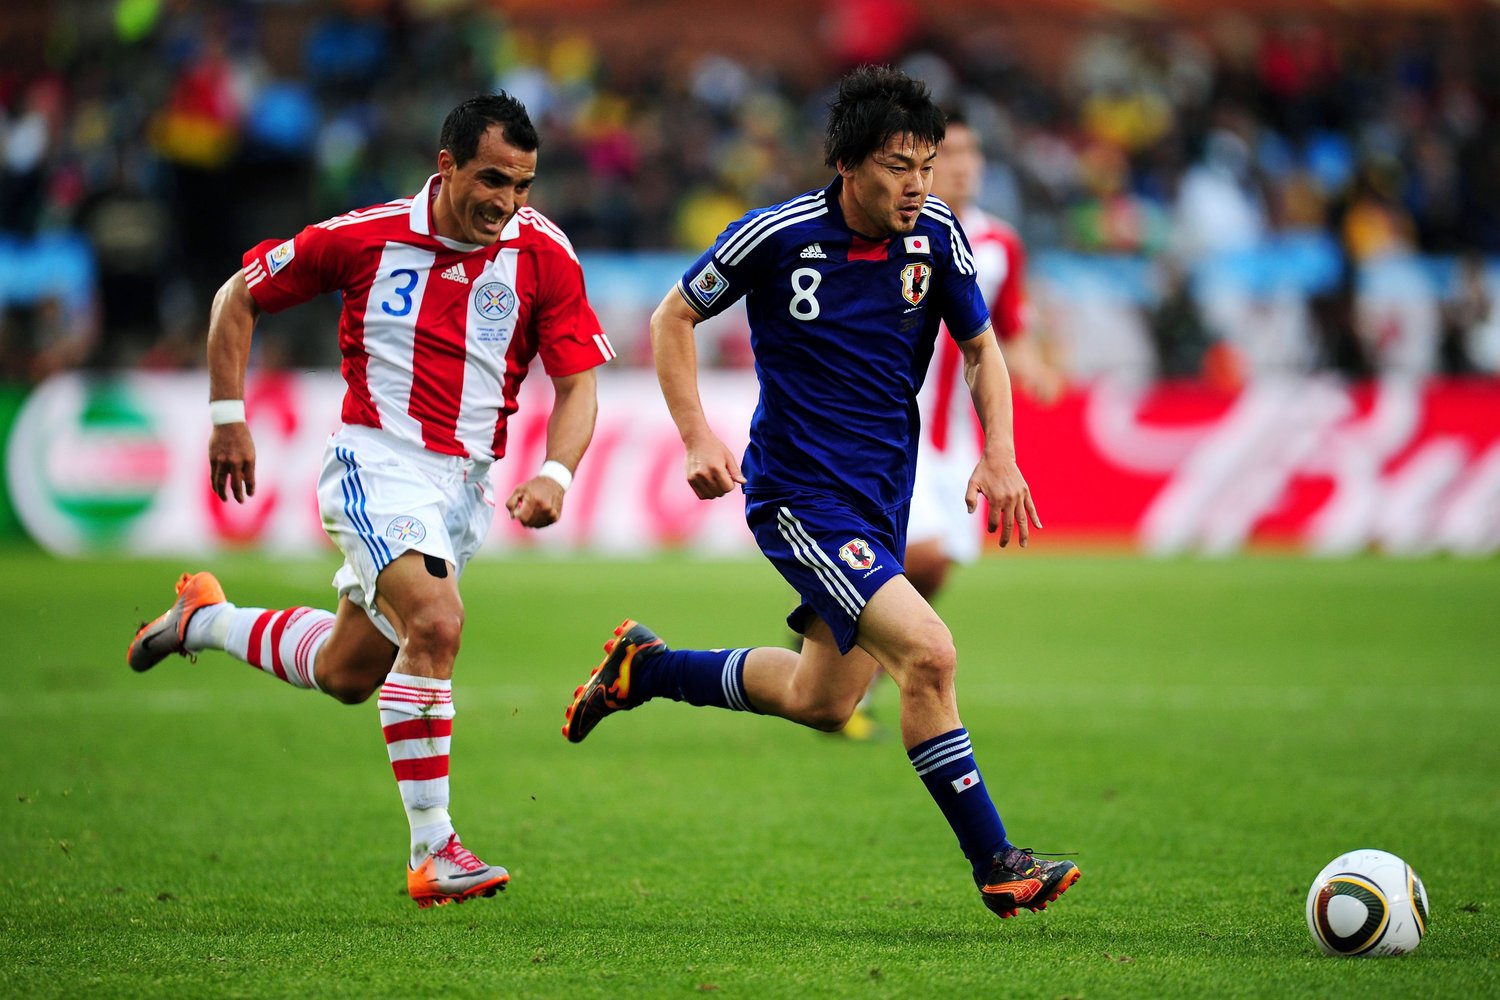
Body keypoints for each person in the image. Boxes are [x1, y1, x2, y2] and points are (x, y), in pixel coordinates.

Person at [561, 66, 1080, 921]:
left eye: (926, 164)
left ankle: (645, 669)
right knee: (931, 653)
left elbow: (983, 348)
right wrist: (697, 435)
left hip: (881, 492)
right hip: (799, 495)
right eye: (897, 165)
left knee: (823, 699)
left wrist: (1002, 453)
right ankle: (998, 861)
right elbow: (670, 319)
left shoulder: (939, 235)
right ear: (847, 162)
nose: (917, 185)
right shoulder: (776, 235)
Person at [127, 93, 614, 909]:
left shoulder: (544, 253)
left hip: (463, 485)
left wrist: (557, 475)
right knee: (437, 623)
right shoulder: (363, 237)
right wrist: (225, 418)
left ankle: (202, 619)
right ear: (447, 164)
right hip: (376, 460)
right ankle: (434, 850)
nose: (508, 202)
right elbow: (235, 298)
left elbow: (578, 387)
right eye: (492, 179)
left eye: (524, 185)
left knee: (349, 671)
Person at [838, 111, 1063, 741]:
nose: (960, 166)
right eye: (948, 154)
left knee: (935, 568)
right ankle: (844, 650)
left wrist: (1034, 365)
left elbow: (1002, 334)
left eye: (967, 154)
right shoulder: (894, 232)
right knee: (922, 559)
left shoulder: (999, 245)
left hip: (956, 438)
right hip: (897, 437)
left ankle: (850, 671)